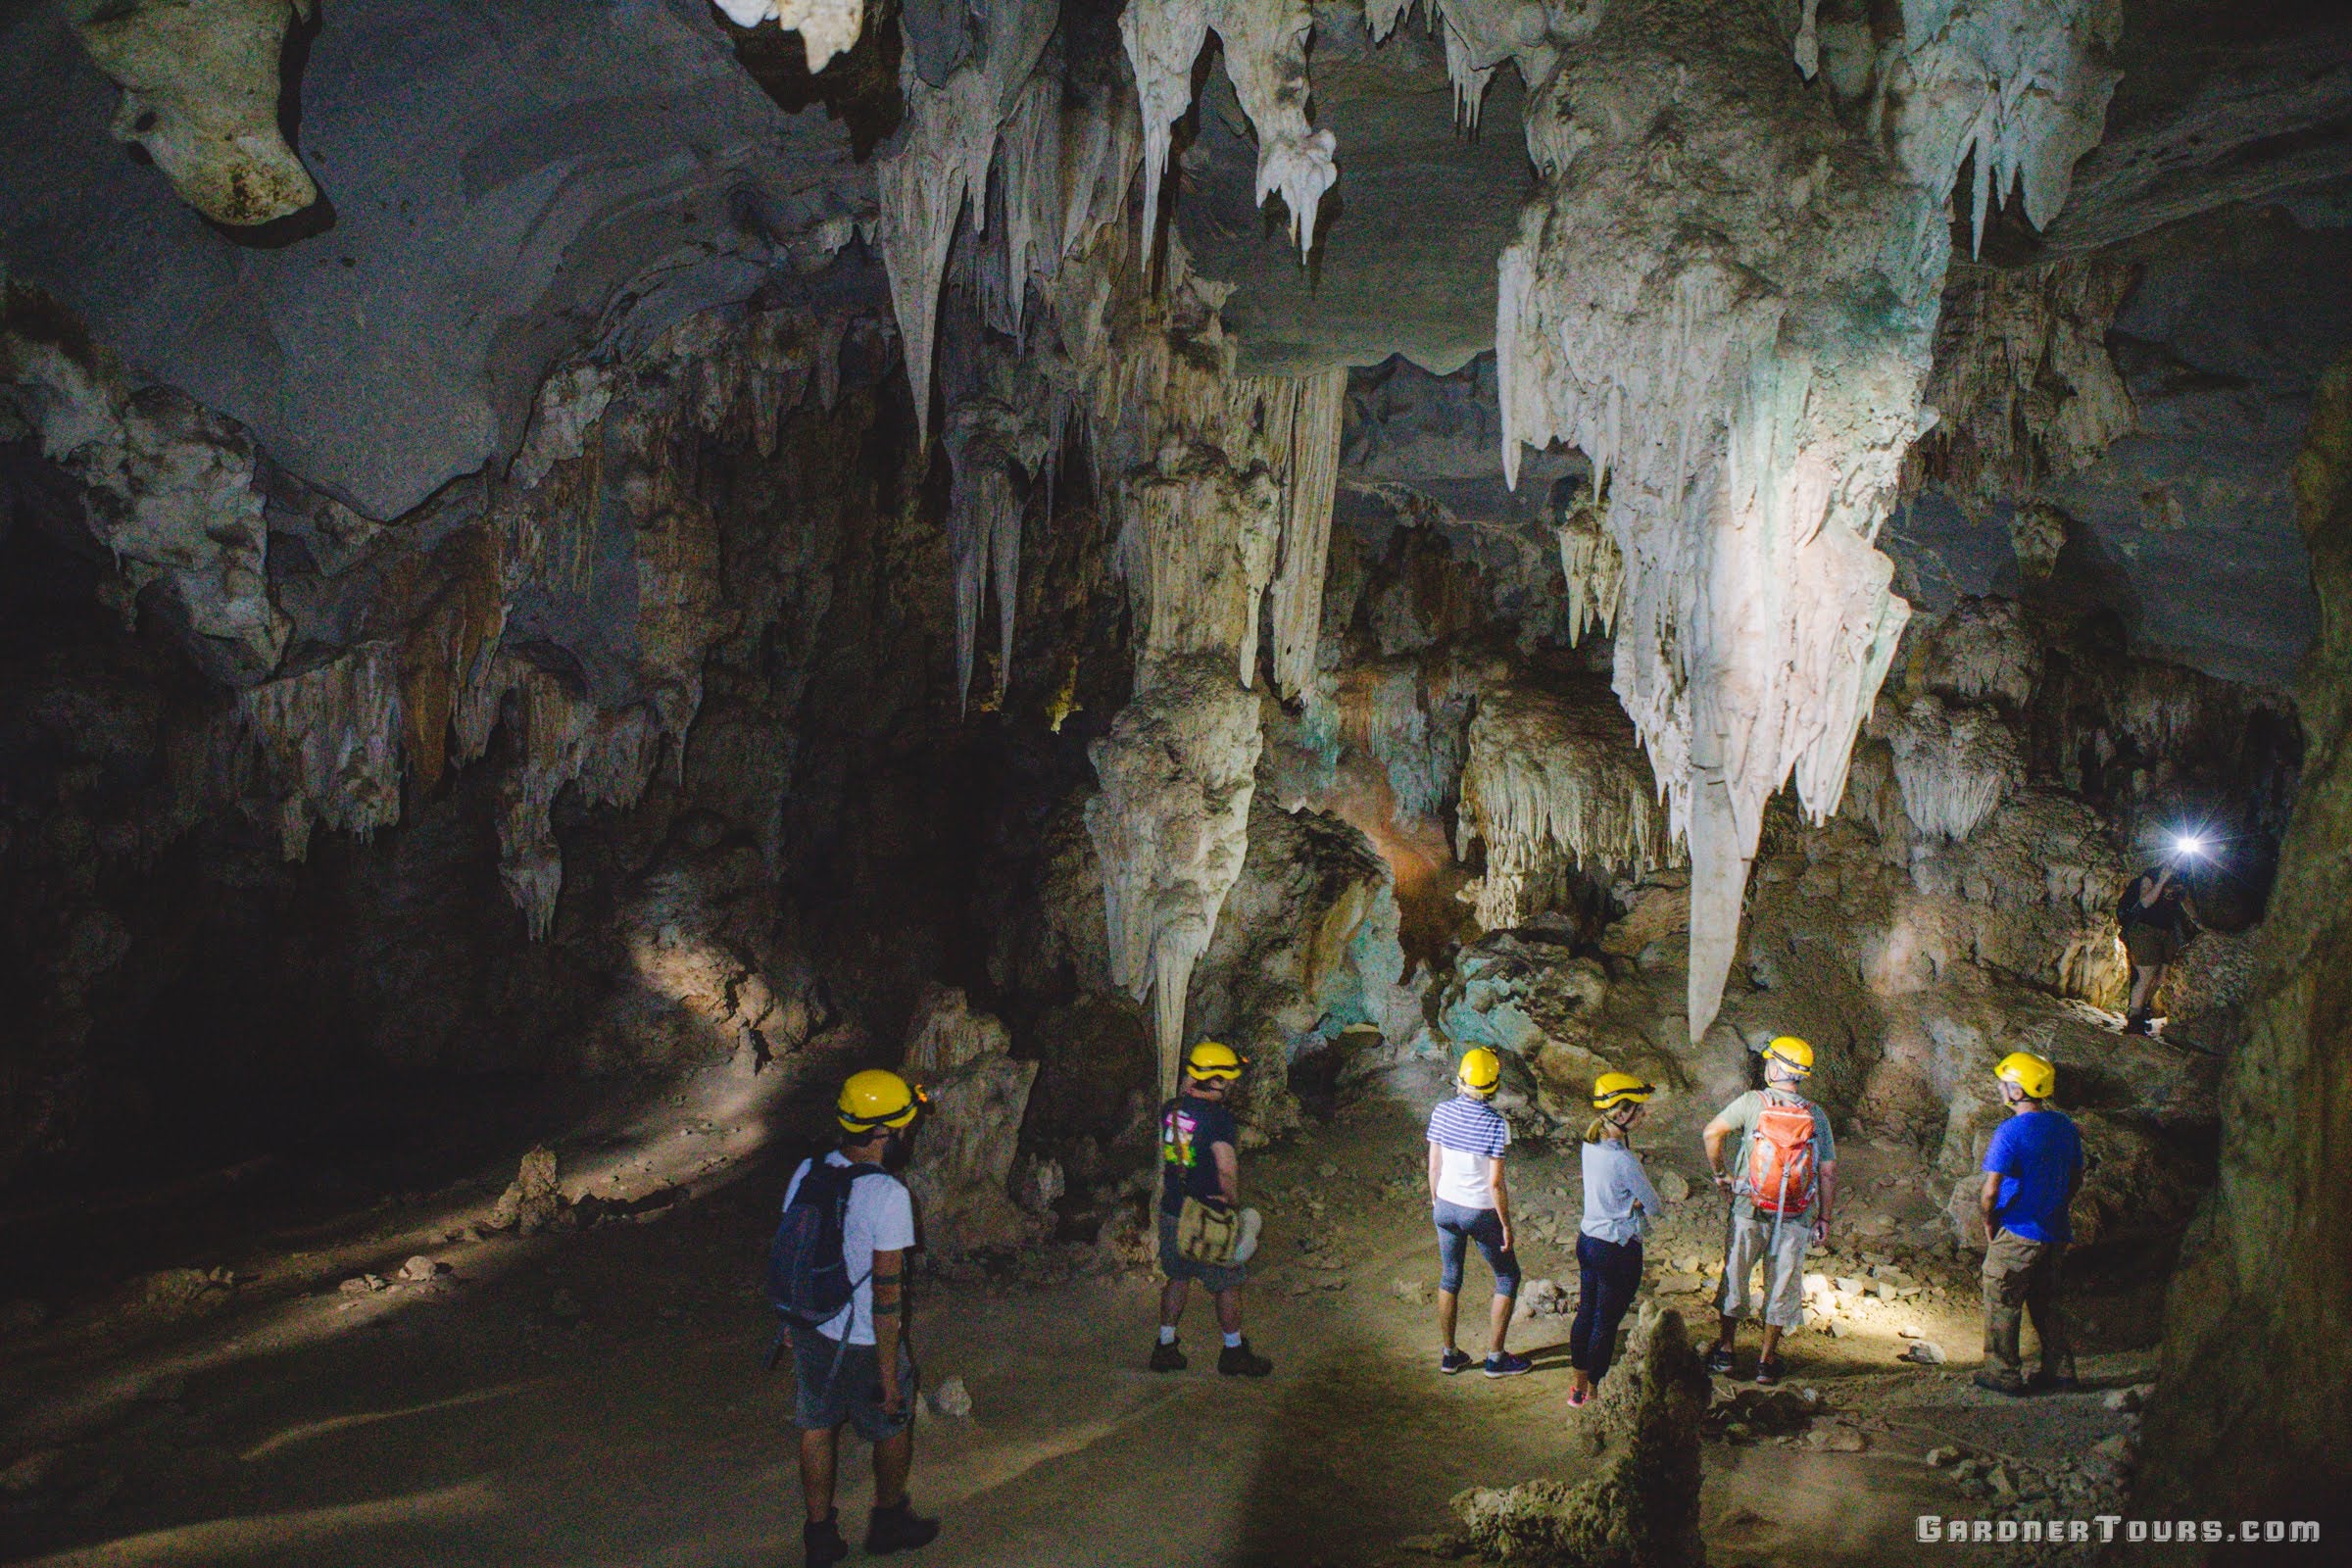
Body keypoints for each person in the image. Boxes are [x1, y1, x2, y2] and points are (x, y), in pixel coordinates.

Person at [784, 1069, 939, 1567]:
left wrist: (791, 1318)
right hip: (866, 1340)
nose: (906, 1137)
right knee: (892, 1424)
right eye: (902, 1128)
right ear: (882, 1133)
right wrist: (891, 1378)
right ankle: (888, 1522)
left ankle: (819, 1537)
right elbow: (887, 1296)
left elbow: (790, 1253)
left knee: (816, 1424)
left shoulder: (808, 1171)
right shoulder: (889, 1196)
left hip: (813, 1329)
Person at [1700, 1036, 1838, 1386]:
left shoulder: (1752, 1102)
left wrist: (1721, 1175)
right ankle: (1766, 1361)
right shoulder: (1815, 1114)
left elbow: (1711, 1132)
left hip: (1749, 1207)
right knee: (1782, 1284)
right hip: (1795, 1215)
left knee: (1736, 1275)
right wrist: (1824, 1218)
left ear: (1776, 1068)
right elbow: (1827, 1170)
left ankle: (1726, 1352)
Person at [1152, 1040, 1273, 1377]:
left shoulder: (1171, 1110)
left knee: (1177, 1277)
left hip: (1173, 1209)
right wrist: (1231, 1204)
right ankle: (1233, 1353)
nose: (1232, 1085)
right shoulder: (1219, 1120)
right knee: (1227, 1283)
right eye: (1228, 1079)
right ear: (1216, 1080)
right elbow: (1226, 1168)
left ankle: (1165, 1345)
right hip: (1206, 1213)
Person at [1975, 1051, 2084, 1396]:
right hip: (2054, 1230)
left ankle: (2002, 1373)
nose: (2000, 1088)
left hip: (2019, 1229)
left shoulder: (2010, 1131)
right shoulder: (2065, 1126)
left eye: (2005, 1083)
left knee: (2001, 1297)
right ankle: (2061, 1371)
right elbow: (2076, 1177)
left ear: (2018, 1091)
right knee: (2047, 1300)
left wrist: (1988, 1220)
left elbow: (1990, 1190)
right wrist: (2058, 1206)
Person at [1426, 1048, 1531, 1378]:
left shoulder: (1441, 1112)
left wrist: (1437, 1201)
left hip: (1445, 1206)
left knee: (1450, 1277)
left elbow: (1434, 1165)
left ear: (1460, 1080)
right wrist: (1506, 1225)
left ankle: (1449, 1355)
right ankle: (1496, 1359)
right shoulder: (1497, 1125)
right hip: (1480, 1210)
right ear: (1494, 1086)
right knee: (1507, 1277)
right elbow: (1496, 1183)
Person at [1569, 1072, 1667, 1407]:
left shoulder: (1590, 1143)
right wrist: (1637, 1201)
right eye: (1638, 1110)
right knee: (1605, 1323)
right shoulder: (1623, 1159)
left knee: (1586, 1313)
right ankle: (1595, 1394)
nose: (1643, 1116)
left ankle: (1577, 1388)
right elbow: (1654, 1203)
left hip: (1588, 1241)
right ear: (1621, 1114)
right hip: (1617, 1249)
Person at [2118, 862, 2200, 1035]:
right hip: (2145, 929)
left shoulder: (2182, 880)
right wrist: (2162, 881)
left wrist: (2202, 926)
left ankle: (2142, 1010)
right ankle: (2134, 1019)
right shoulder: (2151, 875)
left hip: (2168, 932)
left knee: (2161, 978)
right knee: (2146, 975)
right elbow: (2145, 902)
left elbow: (2188, 906)